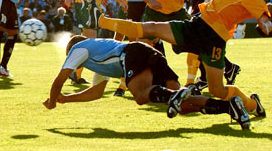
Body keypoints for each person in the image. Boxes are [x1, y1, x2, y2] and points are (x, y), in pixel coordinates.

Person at [93, 0, 272, 122]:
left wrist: (265, 26)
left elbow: (266, 21)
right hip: (197, 25)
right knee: (152, 27)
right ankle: (102, 21)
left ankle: (252, 104)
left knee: (216, 89)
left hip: (214, 40)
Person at [42, 35, 252, 130]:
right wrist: (66, 99)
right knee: (185, 106)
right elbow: (96, 93)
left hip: (133, 52)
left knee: (142, 96)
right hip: (150, 53)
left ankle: (173, 95)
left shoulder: (80, 48)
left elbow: (59, 79)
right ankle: (230, 106)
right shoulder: (97, 56)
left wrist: (52, 101)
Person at [110, 0, 154, 97]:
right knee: (131, 43)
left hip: (148, 6)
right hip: (131, 5)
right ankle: (123, 83)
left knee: (150, 43)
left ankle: (150, 78)